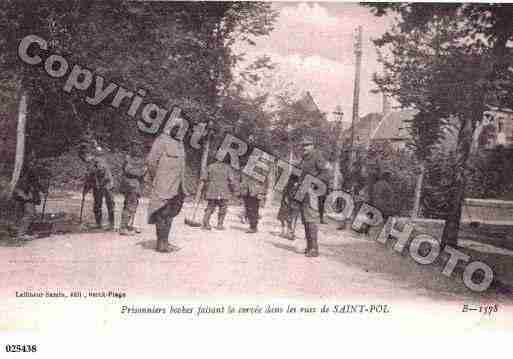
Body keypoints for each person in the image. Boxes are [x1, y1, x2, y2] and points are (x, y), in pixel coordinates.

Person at [146, 125, 189, 253]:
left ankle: (165, 241)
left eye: (184, 131)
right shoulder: (161, 141)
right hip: (164, 184)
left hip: (178, 185)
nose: (182, 133)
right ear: (173, 129)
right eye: (180, 130)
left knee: (170, 213)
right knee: (161, 212)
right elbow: (151, 161)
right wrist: (158, 177)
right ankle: (161, 243)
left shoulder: (180, 144)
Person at [298, 135, 329, 257]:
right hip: (303, 190)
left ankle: (314, 249)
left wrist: (313, 182)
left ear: (313, 146)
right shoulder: (304, 158)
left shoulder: (318, 156)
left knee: (311, 219)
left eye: (307, 145)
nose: (304, 147)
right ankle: (309, 246)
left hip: (312, 192)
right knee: (305, 219)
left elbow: (327, 173)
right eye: (303, 145)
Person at [79, 145, 116, 231]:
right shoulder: (89, 164)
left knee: (110, 203)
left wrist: (93, 172)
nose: (84, 160)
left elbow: (102, 171)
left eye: (84, 157)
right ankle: (98, 223)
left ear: (88, 154)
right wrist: (86, 189)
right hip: (97, 185)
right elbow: (89, 178)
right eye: (83, 159)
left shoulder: (98, 160)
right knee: (97, 204)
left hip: (107, 184)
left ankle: (112, 223)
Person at [12, 151, 45, 242]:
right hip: (24, 193)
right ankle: (21, 234)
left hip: (26, 193)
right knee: (30, 213)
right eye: (32, 161)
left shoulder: (30, 169)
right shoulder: (26, 169)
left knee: (29, 213)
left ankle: (23, 232)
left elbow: (35, 181)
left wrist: (42, 189)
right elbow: (26, 182)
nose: (34, 163)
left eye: (34, 161)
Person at [201, 158, 238, 231]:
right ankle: (220, 224)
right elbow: (232, 180)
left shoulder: (210, 166)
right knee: (223, 208)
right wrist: (234, 190)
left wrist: (203, 189)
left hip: (212, 190)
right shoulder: (228, 168)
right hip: (223, 191)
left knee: (210, 207)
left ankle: (206, 223)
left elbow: (204, 178)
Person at [119, 140, 146, 236]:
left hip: (135, 185)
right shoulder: (128, 158)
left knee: (133, 205)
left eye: (139, 147)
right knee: (129, 206)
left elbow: (143, 171)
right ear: (132, 148)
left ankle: (129, 225)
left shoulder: (138, 159)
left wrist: (142, 171)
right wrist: (141, 171)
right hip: (130, 185)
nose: (138, 149)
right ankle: (123, 228)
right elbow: (129, 171)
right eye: (135, 147)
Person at [277, 173, 300, 240]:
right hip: (286, 202)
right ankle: (285, 231)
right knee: (284, 217)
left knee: (289, 218)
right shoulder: (289, 184)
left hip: (292, 203)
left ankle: (288, 232)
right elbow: (285, 192)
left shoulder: (297, 185)